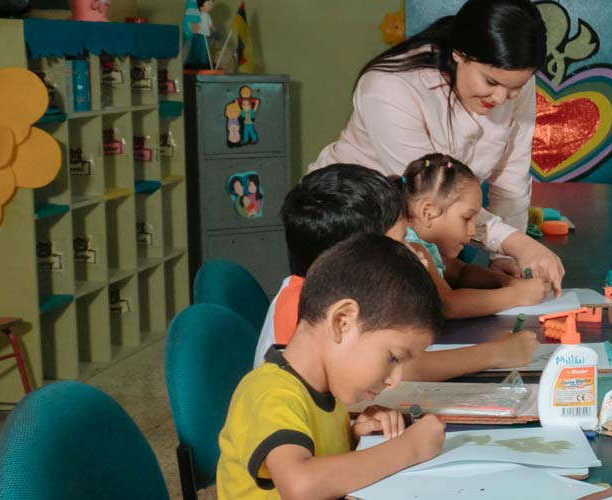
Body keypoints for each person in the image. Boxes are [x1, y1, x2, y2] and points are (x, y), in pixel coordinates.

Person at [312, 0, 565, 294]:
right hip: (348, 225)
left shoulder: (511, 77)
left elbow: (512, 176)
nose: (501, 98)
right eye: (491, 82)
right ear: (459, 53)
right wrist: (517, 243)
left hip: (428, 227)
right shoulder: (390, 88)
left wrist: (505, 257)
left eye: (515, 88)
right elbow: (430, 190)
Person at [215, 234, 447, 499]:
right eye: (393, 358)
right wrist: (410, 449)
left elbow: (316, 455)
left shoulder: (327, 389)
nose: (395, 380)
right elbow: (299, 485)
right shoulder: (270, 392)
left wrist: (354, 436)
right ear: (342, 322)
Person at [259, 164, 537, 381]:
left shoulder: (346, 294)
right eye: (401, 242)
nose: (413, 253)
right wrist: (495, 354)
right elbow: (400, 372)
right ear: (351, 260)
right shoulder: (300, 311)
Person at [399, 153, 552, 320]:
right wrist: (516, 294)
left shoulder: (426, 245)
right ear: (427, 212)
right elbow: (446, 305)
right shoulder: (410, 246)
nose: (472, 231)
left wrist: (507, 282)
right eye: (466, 218)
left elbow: (462, 273)